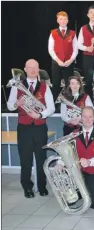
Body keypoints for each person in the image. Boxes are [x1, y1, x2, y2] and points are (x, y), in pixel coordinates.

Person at [7, 59, 55, 198]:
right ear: (25, 69)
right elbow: (10, 106)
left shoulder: (45, 87)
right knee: (25, 159)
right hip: (24, 128)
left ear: (38, 69)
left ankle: (42, 186)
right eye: (30, 67)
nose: (33, 70)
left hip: (40, 127)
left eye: (35, 68)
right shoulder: (17, 86)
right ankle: (27, 187)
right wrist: (18, 102)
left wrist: (40, 114)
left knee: (41, 159)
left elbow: (51, 108)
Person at [74, 106, 94, 209]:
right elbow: (69, 152)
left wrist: (89, 162)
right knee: (71, 200)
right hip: (79, 173)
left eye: (90, 117)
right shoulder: (73, 134)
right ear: (81, 118)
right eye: (85, 117)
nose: (87, 120)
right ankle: (82, 190)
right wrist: (60, 164)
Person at [48, 11, 78, 100]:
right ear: (57, 20)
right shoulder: (53, 33)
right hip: (56, 62)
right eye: (61, 19)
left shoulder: (72, 33)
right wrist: (58, 61)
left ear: (68, 20)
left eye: (65, 19)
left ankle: (69, 101)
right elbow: (50, 49)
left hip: (68, 63)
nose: (63, 21)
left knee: (69, 84)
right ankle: (55, 103)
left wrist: (70, 60)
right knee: (56, 84)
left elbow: (75, 49)